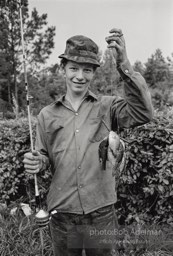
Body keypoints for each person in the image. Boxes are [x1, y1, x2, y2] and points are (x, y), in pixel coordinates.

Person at [23, 28, 153, 256]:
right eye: (73, 68)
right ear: (62, 69)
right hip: (62, 212)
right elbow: (44, 156)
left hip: (100, 211)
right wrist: (37, 162)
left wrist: (123, 63)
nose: (79, 76)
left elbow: (143, 113)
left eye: (87, 70)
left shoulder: (108, 106)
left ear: (93, 73)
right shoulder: (46, 115)